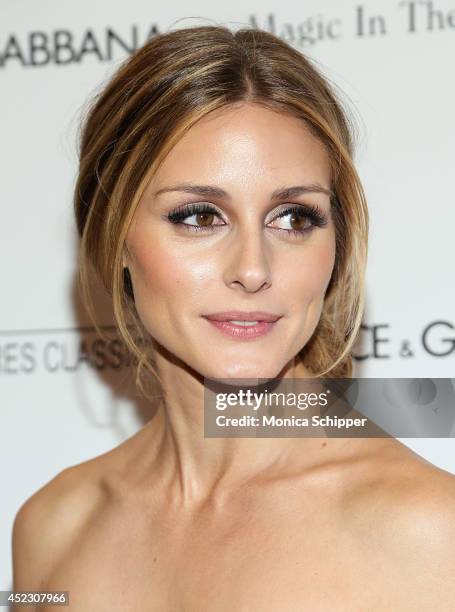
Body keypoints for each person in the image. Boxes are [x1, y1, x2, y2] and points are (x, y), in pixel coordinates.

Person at [12, 24, 455, 610]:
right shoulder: (51, 529)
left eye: (294, 218)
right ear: (114, 235)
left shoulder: (429, 535)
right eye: (199, 216)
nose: (252, 269)